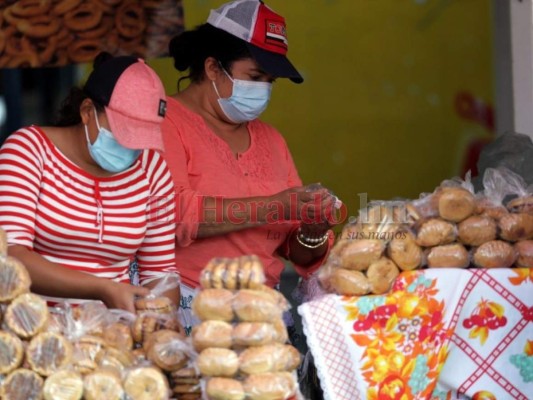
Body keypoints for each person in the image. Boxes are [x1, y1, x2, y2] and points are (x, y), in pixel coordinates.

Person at [161, 0, 340, 330]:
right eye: (255, 76)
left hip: (262, 313)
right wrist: (275, 205)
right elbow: (174, 214)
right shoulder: (165, 122)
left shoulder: (271, 140)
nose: (263, 90)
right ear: (213, 68)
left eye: (270, 81)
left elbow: (293, 248)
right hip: (189, 309)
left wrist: (313, 232)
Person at [0, 53, 179, 313]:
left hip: (113, 337)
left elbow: (160, 272)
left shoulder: (153, 169)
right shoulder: (28, 151)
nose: (133, 146)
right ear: (87, 112)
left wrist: (158, 319)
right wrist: (101, 288)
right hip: (34, 331)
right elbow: (11, 256)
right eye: (125, 132)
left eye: (142, 137)